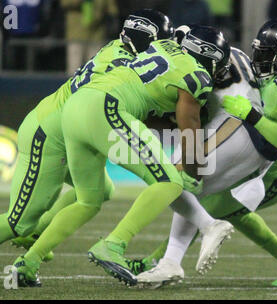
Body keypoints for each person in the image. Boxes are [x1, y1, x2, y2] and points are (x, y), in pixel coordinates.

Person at [11, 20, 232, 287]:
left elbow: (146, 107)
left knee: (89, 200)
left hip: (77, 106)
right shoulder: (198, 76)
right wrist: (194, 173)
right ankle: (114, 244)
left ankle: (28, 262)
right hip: (106, 107)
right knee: (169, 182)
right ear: (210, 58)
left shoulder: (163, 46)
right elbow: (190, 132)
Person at [135, 18, 277, 288]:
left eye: (267, 53)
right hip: (257, 161)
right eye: (259, 50)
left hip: (274, 173)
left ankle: (160, 262)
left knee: (202, 206)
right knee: (216, 212)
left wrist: (251, 115)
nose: (259, 58)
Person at [1, 9, 171, 287]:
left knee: (98, 193)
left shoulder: (116, 49)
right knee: (18, 222)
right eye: (158, 44)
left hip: (67, 133)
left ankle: (32, 252)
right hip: (47, 135)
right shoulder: (123, 65)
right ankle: (32, 236)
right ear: (146, 40)